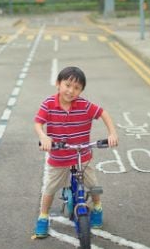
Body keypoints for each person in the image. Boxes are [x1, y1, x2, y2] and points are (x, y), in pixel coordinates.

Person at [33, 65, 118, 238]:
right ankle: (43, 216)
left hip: (82, 155)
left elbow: (103, 113)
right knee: (49, 188)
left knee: (93, 185)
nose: (71, 91)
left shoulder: (84, 105)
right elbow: (38, 123)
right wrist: (43, 137)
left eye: (77, 88)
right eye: (67, 85)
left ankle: (98, 207)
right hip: (59, 157)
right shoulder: (49, 104)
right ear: (58, 84)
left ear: (81, 91)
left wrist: (112, 133)